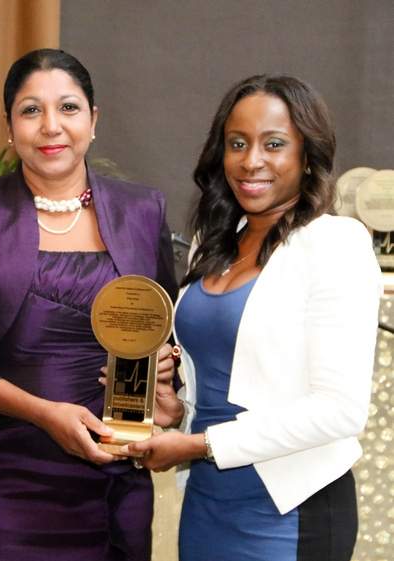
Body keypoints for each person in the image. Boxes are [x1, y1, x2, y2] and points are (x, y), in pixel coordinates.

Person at [0, 48, 178, 561]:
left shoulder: (142, 210)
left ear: (93, 119)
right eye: (30, 110)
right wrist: (45, 415)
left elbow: (164, 331)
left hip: (119, 476)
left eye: (67, 108)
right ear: (8, 125)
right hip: (7, 482)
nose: (50, 127)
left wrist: (171, 400)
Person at [125, 75, 382, 561]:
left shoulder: (334, 243)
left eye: (274, 144)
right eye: (237, 143)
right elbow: (223, 381)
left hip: (290, 510)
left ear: (308, 157)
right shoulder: (214, 242)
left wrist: (201, 445)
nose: (251, 161)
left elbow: (340, 410)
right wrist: (177, 413)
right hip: (207, 504)